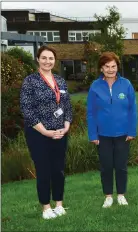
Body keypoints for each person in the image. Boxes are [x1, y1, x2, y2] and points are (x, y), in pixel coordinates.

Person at [20, 45, 73, 219]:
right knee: (43, 170)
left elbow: (66, 106)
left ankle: (59, 204)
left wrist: (66, 126)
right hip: (38, 134)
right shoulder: (30, 81)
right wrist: (46, 132)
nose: (47, 61)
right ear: (38, 59)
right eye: (44, 58)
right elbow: (27, 110)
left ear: (54, 61)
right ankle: (46, 207)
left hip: (60, 133)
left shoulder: (60, 81)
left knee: (58, 170)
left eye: (51, 58)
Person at [86, 52, 138, 208]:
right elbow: (91, 112)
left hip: (123, 134)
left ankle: (121, 195)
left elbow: (132, 110)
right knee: (106, 166)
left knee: (121, 166)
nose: (110, 69)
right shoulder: (95, 86)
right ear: (101, 68)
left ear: (117, 67)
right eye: (107, 66)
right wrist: (93, 134)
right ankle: (108, 196)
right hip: (103, 135)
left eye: (113, 66)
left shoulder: (126, 84)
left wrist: (131, 131)